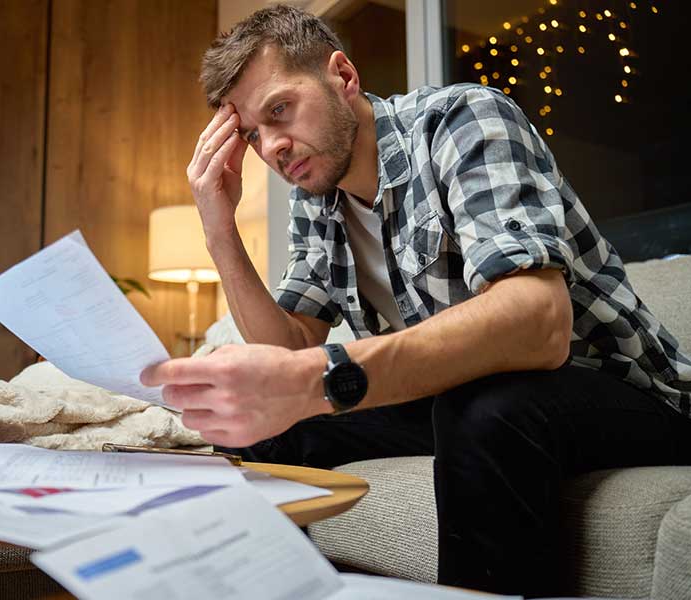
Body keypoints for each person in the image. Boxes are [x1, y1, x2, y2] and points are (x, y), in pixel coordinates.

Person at [140, 5, 691, 597]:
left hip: (628, 395)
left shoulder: (461, 120)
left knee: (484, 405)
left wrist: (325, 377)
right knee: (259, 428)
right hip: (458, 399)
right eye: (252, 134)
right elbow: (289, 347)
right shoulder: (317, 196)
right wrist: (218, 228)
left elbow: (540, 323)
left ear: (343, 76)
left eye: (280, 110)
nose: (272, 146)